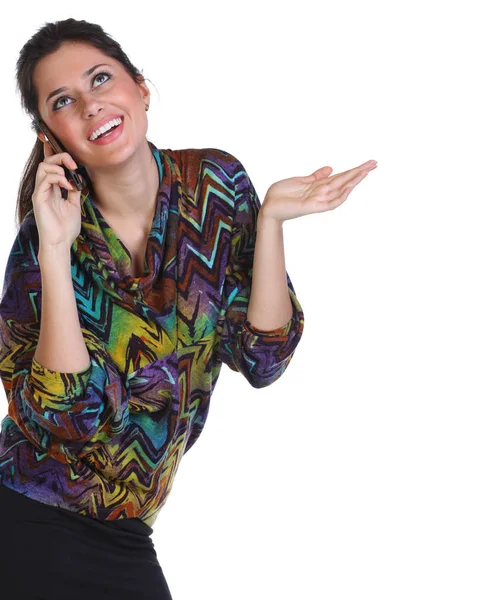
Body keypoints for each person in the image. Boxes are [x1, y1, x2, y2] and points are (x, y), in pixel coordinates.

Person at [0, 17, 375, 600]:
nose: (92, 106)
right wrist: (53, 247)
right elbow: (69, 417)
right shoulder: (47, 238)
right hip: (26, 517)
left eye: (101, 79)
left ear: (141, 88)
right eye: (64, 101)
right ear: (51, 136)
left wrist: (270, 221)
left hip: (126, 530)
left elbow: (263, 358)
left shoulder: (215, 187)